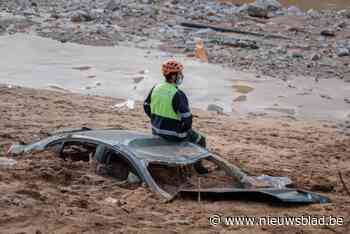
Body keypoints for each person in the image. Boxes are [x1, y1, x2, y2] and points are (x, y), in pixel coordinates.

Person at [143, 59, 208, 174]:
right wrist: (184, 130)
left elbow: (146, 105)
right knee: (201, 139)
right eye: (180, 74)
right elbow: (187, 118)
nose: (181, 76)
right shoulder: (177, 94)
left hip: (156, 131)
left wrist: (155, 119)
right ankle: (199, 167)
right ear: (174, 77)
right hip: (174, 135)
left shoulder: (156, 87)